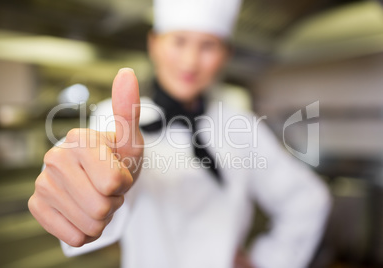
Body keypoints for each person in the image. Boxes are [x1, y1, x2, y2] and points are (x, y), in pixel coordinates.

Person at [28, 0, 331, 267]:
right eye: (179, 41)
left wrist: (268, 261)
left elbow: (307, 199)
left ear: (225, 54)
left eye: (208, 45)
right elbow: (92, 175)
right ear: (154, 43)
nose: (190, 61)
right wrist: (77, 186)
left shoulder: (242, 125)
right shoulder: (118, 116)